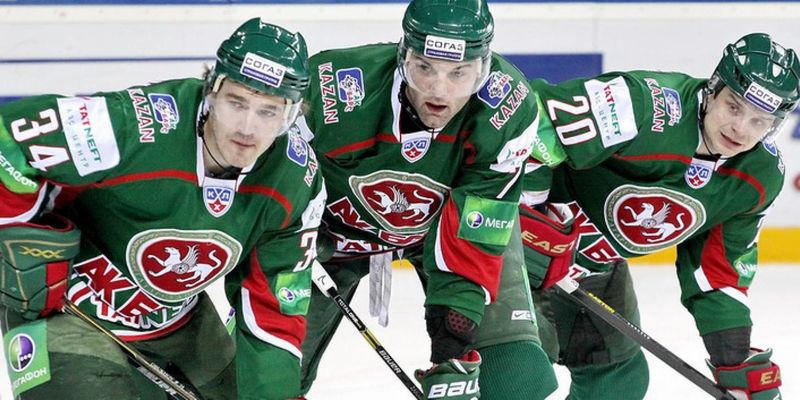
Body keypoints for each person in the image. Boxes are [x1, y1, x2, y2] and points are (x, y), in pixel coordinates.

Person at [0, 18, 325, 400]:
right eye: (236, 102)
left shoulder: (294, 180)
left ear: (291, 116)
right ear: (211, 90)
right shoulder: (138, 125)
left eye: (269, 112)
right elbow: (9, 141)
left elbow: (274, 307)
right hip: (65, 310)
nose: (247, 128)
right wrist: (16, 228)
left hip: (178, 322)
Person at [294, 0, 560, 399]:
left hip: (447, 226)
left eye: (459, 73)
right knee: (252, 381)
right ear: (403, 57)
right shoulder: (332, 88)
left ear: (483, 68)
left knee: (515, 376)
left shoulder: (507, 109)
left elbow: (477, 224)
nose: (439, 90)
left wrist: (453, 332)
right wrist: (291, 230)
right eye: (425, 68)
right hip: (334, 235)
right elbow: (274, 176)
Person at [519, 32, 798, 399]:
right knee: (520, 372)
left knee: (617, 381)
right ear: (713, 89)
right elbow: (534, 123)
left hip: (596, 267)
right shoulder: (644, 106)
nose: (740, 129)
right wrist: (527, 217)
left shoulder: (759, 175)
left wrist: (732, 356)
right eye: (733, 107)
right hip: (515, 250)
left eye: (759, 121)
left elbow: (718, 269)